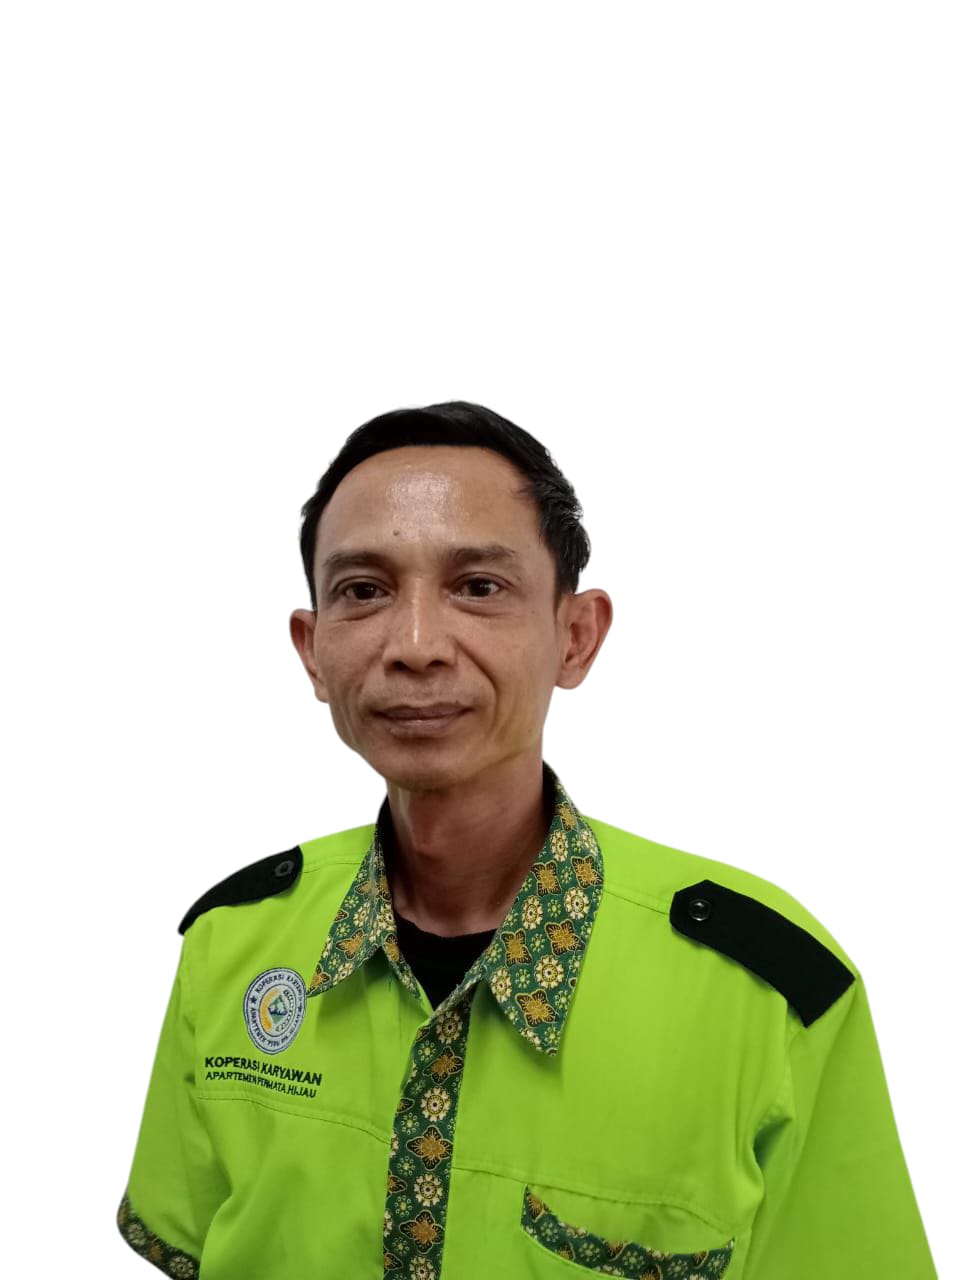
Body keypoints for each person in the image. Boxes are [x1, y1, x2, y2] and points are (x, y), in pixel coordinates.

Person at [116, 400, 937, 1278]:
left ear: (575, 637)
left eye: (478, 587)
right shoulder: (233, 943)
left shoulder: (766, 995)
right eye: (363, 591)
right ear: (312, 650)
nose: (417, 645)